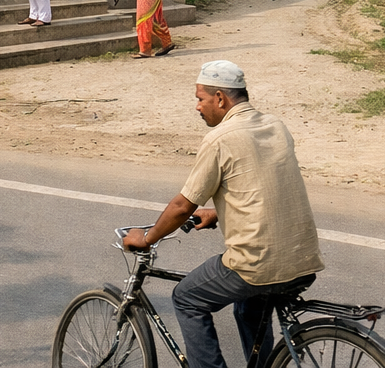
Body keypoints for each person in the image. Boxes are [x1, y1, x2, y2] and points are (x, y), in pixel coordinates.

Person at [124, 61, 325, 368]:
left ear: (220, 98)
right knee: (248, 310)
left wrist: (148, 238)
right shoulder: (275, 125)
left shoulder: (219, 139)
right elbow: (262, 184)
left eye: (200, 99)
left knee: (187, 298)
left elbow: (182, 207)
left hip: (257, 264)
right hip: (303, 258)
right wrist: (219, 212)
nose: (197, 107)